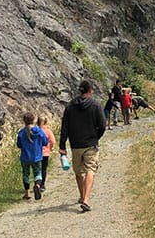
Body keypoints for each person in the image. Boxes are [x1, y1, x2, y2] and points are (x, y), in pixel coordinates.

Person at [59, 80, 105, 212]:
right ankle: (86, 199)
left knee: (79, 172)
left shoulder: (70, 107)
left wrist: (62, 146)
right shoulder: (96, 105)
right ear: (90, 90)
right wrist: (96, 137)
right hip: (90, 143)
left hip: (75, 144)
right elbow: (102, 125)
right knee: (90, 169)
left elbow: (65, 128)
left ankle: (81, 195)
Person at [16, 113, 48, 200]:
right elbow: (45, 142)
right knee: (37, 173)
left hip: (25, 157)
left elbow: (19, 145)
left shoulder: (21, 132)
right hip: (37, 156)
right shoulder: (39, 131)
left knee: (26, 174)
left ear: (24, 121)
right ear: (34, 120)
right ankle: (37, 185)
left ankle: (27, 193)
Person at [36, 116, 56, 192]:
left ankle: (37, 183)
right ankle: (42, 185)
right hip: (45, 153)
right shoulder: (48, 131)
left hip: (36, 153)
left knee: (37, 169)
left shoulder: (35, 131)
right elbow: (53, 141)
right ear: (46, 122)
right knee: (44, 169)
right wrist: (49, 148)